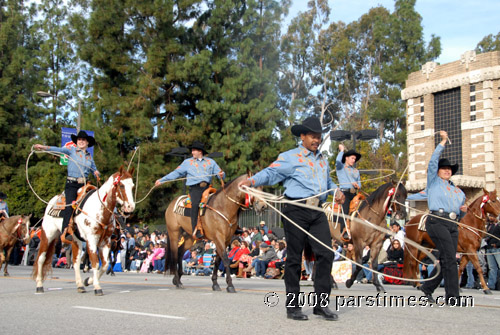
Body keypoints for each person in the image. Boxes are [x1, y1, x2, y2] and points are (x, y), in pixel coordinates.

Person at [239, 116, 344, 321]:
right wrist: (252, 180)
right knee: (295, 258)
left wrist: (336, 191)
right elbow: (271, 173)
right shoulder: (290, 157)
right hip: (296, 210)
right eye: (312, 136)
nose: (316, 140)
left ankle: (321, 305)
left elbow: (329, 182)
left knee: (326, 254)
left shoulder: (322, 159)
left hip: (317, 211)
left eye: (318, 136)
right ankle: (293, 306)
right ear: (302, 136)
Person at [420, 130, 467, 306]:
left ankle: (428, 287)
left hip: (453, 224)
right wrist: (442, 142)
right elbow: (432, 162)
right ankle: (453, 297)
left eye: (449, 169)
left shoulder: (458, 191)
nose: (447, 171)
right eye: (444, 168)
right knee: (449, 258)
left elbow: (462, 212)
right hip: (436, 221)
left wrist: (464, 210)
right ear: (438, 171)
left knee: (448, 258)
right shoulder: (433, 182)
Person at [34, 131, 100, 241]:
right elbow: (58, 150)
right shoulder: (71, 150)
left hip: (84, 185)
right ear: (77, 141)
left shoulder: (89, 157)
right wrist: (43, 147)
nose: (81, 141)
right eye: (79, 139)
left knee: (93, 203)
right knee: (69, 205)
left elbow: (94, 168)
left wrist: (96, 173)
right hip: (72, 184)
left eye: (83, 140)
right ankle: (65, 230)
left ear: (87, 142)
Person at [155, 141, 224, 239]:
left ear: (200, 151)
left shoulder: (211, 162)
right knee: (195, 204)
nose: (192, 152)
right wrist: (162, 180)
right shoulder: (187, 162)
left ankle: (230, 226)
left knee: (222, 201)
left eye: (194, 150)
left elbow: (220, 174)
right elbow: (176, 173)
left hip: (208, 188)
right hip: (195, 189)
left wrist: (221, 174)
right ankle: (195, 229)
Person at [336, 144, 361, 240]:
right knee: (345, 211)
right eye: (352, 158)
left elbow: (359, 182)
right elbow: (338, 161)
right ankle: (344, 230)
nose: (353, 160)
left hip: (354, 193)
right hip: (344, 193)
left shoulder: (356, 171)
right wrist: (341, 150)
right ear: (346, 158)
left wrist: (358, 185)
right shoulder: (340, 167)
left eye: (355, 159)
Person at [485, 214, 500, 290]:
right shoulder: (488, 226)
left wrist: (497, 245)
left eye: (493, 216)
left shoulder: (499, 225)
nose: (491, 217)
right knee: (492, 268)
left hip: (497, 248)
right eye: (490, 216)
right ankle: (491, 285)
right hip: (489, 247)